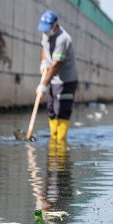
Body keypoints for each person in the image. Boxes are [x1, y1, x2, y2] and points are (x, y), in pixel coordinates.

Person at [38, 10, 79, 142]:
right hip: (53, 78)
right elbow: (44, 48)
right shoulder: (46, 33)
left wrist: (43, 84)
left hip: (66, 80)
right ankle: (53, 138)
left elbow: (56, 65)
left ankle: (60, 143)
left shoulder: (63, 39)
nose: (45, 32)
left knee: (61, 110)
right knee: (51, 109)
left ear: (55, 25)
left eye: (47, 29)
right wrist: (44, 62)